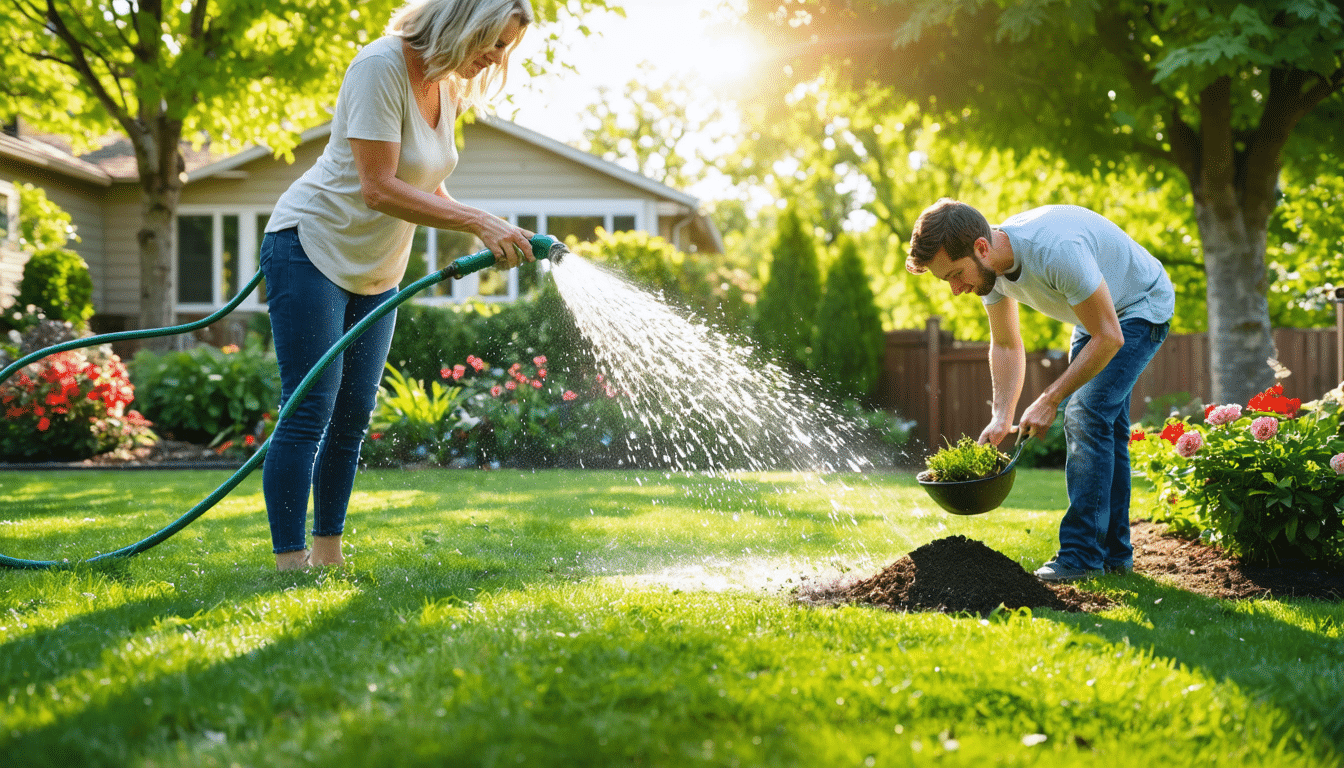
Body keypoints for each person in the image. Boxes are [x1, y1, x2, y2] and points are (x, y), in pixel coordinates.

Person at [260, 0, 537, 571]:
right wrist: (479, 221)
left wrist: (486, 227)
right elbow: (379, 188)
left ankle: (328, 557)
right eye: (494, 41)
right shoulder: (379, 67)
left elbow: (425, 186)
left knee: (353, 413)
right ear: (463, 24)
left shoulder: (448, 87)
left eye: (505, 47)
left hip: (378, 268)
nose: (496, 57)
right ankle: (290, 566)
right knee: (310, 406)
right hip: (310, 245)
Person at [906, 200, 1174, 581]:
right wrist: (1002, 415)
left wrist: (1049, 399)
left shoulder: (1053, 250)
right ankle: (1115, 556)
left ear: (981, 247)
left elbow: (1110, 335)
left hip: (1139, 306)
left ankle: (1081, 556)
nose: (954, 289)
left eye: (955, 274)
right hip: (1092, 317)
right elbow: (1005, 344)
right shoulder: (988, 269)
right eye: (945, 279)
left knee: (1085, 413)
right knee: (1106, 428)